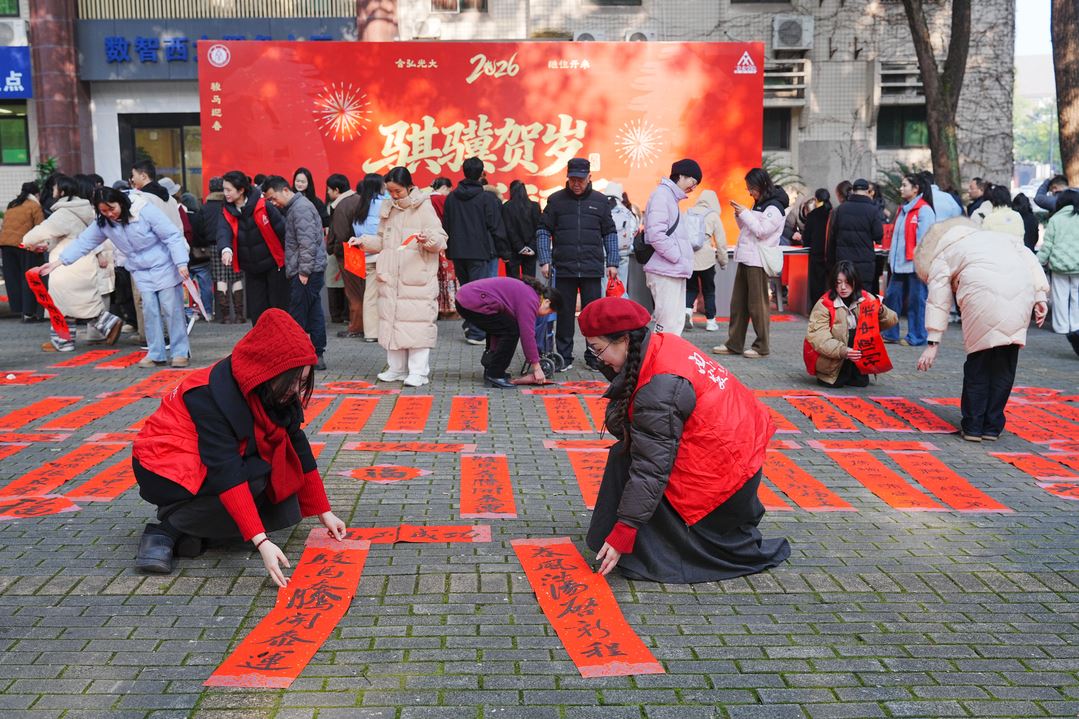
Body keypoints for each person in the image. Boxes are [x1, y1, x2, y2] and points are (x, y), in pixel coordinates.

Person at [576, 296, 790, 583]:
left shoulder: (660, 385)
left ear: (625, 340)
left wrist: (625, 529)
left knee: (638, 467)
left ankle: (653, 550)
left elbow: (651, 469)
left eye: (598, 349)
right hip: (736, 455)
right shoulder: (657, 344)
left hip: (728, 477)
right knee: (626, 454)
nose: (597, 358)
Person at [130, 308, 347, 582]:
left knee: (276, 487)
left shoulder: (273, 388)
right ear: (268, 370)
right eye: (291, 382)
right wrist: (262, 543)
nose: (295, 390)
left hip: (199, 460)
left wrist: (324, 512)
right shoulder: (209, 395)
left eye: (302, 382)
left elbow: (296, 444)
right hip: (162, 467)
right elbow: (226, 470)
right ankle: (166, 531)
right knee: (254, 477)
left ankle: (196, 531)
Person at [916, 218, 1049, 440]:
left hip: (980, 298)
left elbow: (938, 298)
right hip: (1020, 296)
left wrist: (933, 341)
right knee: (1005, 364)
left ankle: (973, 425)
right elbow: (1030, 261)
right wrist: (1040, 296)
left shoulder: (946, 250)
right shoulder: (1002, 238)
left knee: (979, 364)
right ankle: (992, 426)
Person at [40, 187, 191, 368]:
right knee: (149, 310)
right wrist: (58, 262)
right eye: (103, 211)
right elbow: (83, 242)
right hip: (140, 269)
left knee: (171, 309)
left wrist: (181, 262)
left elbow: (172, 235)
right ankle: (156, 353)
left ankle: (180, 352)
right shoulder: (103, 222)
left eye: (112, 208)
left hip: (164, 263)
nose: (109, 214)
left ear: (120, 202)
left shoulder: (143, 210)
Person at [352, 166, 447, 387]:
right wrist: (363, 242)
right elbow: (382, 240)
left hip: (416, 279)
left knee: (417, 326)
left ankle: (418, 372)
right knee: (392, 323)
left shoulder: (424, 207)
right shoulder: (388, 208)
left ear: (409, 187)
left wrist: (427, 240)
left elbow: (441, 240)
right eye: (390, 191)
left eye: (398, 191)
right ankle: (396, 368)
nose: (394, 196)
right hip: (391, 277)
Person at [537, 157, 618, 371]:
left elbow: (609, 232)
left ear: (589, 177)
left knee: (593, 315)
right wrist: (545, 259)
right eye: (572, 179)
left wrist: (612, 261)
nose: (576, 184)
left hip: (592, 268)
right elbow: (543, 230)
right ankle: (564, 356)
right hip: (564, 268)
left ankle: (594, 356)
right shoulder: (556, 201)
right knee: (563, 314)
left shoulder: (600, 201)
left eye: (580, 180)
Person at [21, 175, 119, 352]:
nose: (53, 191)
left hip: (66, 264)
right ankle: (107, 323)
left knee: (61, 305)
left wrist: (27, 240)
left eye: (55, 188)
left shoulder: (64, 213)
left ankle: (64, 341)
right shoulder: (87, 209)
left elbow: (43, 231)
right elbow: (69, 235)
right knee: (83, 302)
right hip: (84, 261)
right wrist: (47, 245)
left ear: (63, 190)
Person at [714, 167, 787, 359]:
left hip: (758, 261)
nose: (750, 192)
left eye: (751, 188)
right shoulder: (759, 204)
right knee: (738, 304)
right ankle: (734, 343)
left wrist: (745, 213)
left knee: (758, 306)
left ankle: (761, 346)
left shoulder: (775, 207)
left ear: (761, 185)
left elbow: (762, 231)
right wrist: (740, 215)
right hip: (746, 258)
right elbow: (747, 229)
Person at [262, 176, 328, 370]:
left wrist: (304, 271)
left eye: (273, 198)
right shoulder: (297, 207)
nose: (273, 203)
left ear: (284, 190)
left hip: (306, 270)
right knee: (314, 312)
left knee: (298, 314)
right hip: (307, 269)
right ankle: (316, 354)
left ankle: (299, 356)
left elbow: (307, 243)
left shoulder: (300, 209)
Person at [454, 276, 563, 388]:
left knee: (503, 327)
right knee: (511, 331)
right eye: (549, 312)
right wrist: (537, 367)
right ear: (546, 302)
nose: (547, 315)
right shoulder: (531, 300)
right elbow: (527, 336)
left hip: (467, 298)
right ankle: (494, 374)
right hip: (471, 301)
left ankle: (492, 369)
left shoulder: (531, 294)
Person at [442, 157, 507, 345]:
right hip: (480, 252)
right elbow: (496, 227)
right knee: (480, 292)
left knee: (466, 291)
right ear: (481, 173)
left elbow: (446, 225)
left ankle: (470, 326)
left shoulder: (452, 198)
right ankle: (476, 332)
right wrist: (505, 252)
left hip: (458, 251)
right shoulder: (487, 198)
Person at [805, 261, 898, 388]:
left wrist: (881, 311)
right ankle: (837, 372)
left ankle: (855, 371)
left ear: (855, 281)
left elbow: (892, 320)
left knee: (860, 383)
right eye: (838, 283)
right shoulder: (824, 304)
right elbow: (818, 337)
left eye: (847, 282)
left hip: (858, 356)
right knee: (834, 384)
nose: (843, 287)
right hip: (833, 358)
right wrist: (843, 351)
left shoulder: (866, 298)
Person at [216, 170, 287, 324]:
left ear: (241, 190)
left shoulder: (263, 205)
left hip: (274, 264)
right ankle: (262, 344)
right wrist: (226, 250)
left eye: (229, 190)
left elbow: (283, 230)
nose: (225, 193)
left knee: (278, 306)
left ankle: (281, 342)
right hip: (251, 267)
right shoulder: (227, 211)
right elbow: (223, 232)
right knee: (257, 310)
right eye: (224, 189)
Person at [643, 159, 700, 337]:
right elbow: (656, 234)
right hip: (665, 269)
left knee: (674, 323)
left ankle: (668, 362)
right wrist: (677, 257)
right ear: (681, 175)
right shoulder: (662, 195)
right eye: (693, 181)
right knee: (667, 324)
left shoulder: (668, 197)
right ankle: (661, 363)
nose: (694, 186)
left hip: (671, 269)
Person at [882, 173, 936, 347]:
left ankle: (917, 335)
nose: (901, 188)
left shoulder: (924, 210)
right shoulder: (903, 209)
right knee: (891, 298)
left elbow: (925, 241)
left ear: (915, 189)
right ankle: (890, 333)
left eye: (904, 185)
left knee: (916, 302)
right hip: (899, 264)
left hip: (915, 265)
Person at [161, 177, 213, 324]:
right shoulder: (184, 211)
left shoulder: (162, 209)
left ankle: (187, 313)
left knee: (182, 286)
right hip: (192, 255)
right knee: (203, 284)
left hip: (175, 255)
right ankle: (207, 311)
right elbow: (190, 232)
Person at [191, 177, 243, 324]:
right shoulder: (229, 205)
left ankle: (225, 316)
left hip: (214, 246)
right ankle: (239, 315)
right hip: (233, 245)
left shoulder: (205, 207)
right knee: (236, 277)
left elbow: (199, 229)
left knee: (221, 278)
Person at [1037, 189, 1079, 356]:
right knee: (1077, 297)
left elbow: (1047, 245)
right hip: (1078, 265)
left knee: (1060, 296)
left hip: (1059, 265)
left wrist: (1037, 262)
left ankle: (1061, 326)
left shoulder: (1055, 219)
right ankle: (1076, 326)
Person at [324, 173, 363, 338]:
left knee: (353, 293)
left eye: (328, 190)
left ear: (336, 189)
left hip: (348, 252)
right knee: (361, 290)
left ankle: (355, 327)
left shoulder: (341, 206)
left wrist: (335, 251)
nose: (327, 193)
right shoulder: (358, 199)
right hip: (360, 250)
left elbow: (340, 235)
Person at [827, 178, 884, 292]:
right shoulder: (873, 211)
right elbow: (878, 235)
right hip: (865, 262)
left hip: (844, 262)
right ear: (867, 191)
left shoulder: (840, 210)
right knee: (863, 297)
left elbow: (832, 236)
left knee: (845, 294)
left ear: (853, 190)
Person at [0, 181, 45, 322]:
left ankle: (18, 308)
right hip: (23, 245)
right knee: (27, 277)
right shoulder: (34, 205)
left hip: (6, 244)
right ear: (36, 193)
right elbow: (40, 227)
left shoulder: (12, 204)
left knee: (13, 278)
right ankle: (28, 313)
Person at [684, 189, 725, 331]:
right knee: (708, 290)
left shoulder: (688, 212)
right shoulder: (712, 215)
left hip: (689, 258)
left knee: (690, 288)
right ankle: (711, 321)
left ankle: (687, 312)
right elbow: (721, 241)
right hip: (707, 259)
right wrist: (723, 261)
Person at [603, 182, 638, 295]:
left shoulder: (601, 209)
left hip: (604, 254)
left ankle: (604, 310)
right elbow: (634, 231)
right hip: (623, 254)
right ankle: (621, 310)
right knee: (620, 286)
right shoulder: (627, 212)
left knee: (604, 288)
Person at [502, 180, 541, 280]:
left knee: (512, 283)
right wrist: (531, 247)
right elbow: (539, 228)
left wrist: (520, 247)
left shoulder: (506, 207)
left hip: (513, 251)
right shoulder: (535, 206)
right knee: (530, 282)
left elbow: (509, 230)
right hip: (531, 252)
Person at [129, 160, 183, 231]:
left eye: (133, 175)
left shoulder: (141, 199)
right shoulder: (171, 199)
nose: (132, 179)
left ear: (143, 176)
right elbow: (179, 227)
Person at [801, 188, 832, 303]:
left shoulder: (813, 215)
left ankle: (817, 308)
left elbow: (806, 236)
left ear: (816, 199)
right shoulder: (833, 212)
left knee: (817, 283)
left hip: (817, 253)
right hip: (831, 252)